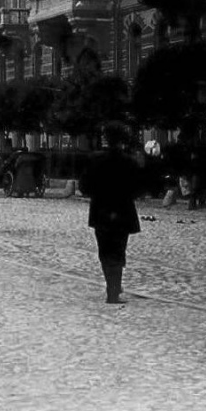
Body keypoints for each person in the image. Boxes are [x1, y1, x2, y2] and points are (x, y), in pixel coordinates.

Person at [78, 123, 143, 305]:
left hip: (101, 210)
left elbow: (84, 186)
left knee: (105, 250)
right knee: (119, 249)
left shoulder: (94, 160)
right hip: (122, 210)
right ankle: (115, 288)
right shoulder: (129, 161)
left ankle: (111, 288)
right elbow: (138, 188)